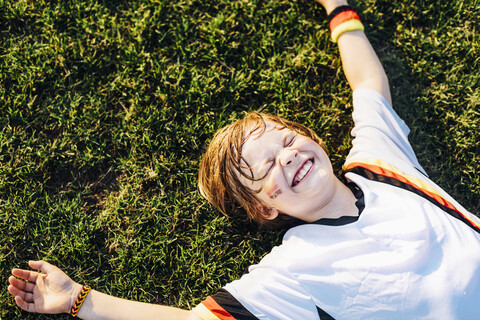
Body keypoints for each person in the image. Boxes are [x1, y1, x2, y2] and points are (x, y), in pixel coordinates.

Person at [8, 0, 480, 319]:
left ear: (310, 138)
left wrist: (339, 8)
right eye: (263, 169)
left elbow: (368, 85)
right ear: (263, 209)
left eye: (286, 140)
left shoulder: (381, 162)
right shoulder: (295, 269)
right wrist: (80, 300)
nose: (287, 158)